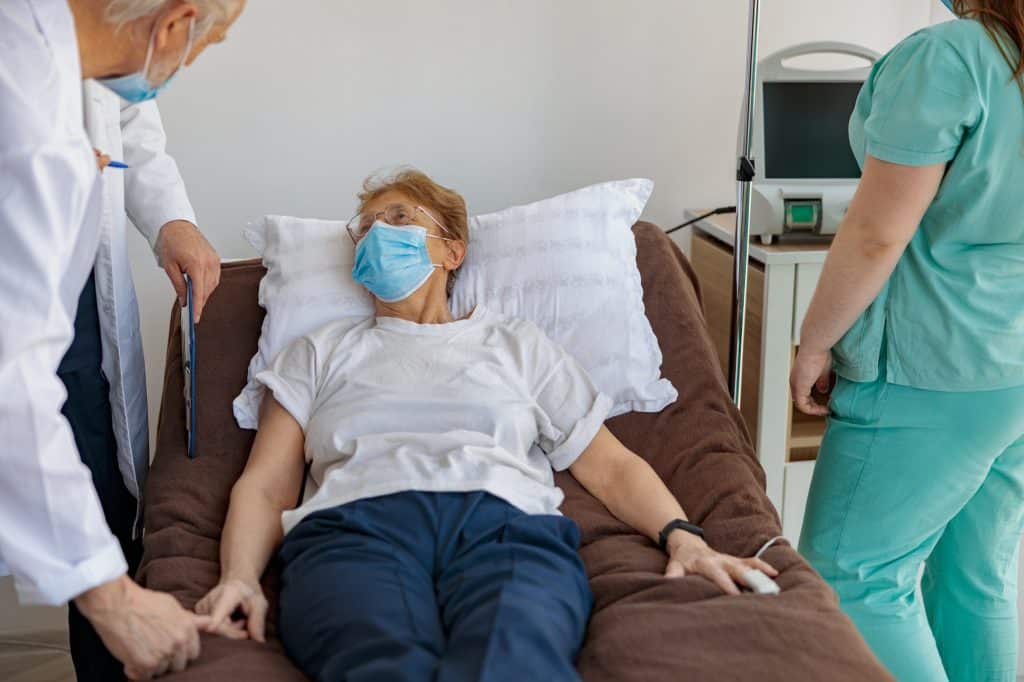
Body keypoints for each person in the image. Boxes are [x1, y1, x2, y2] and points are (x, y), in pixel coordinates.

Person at [194, 169, 779, 681]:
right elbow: (266, 484)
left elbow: (609, 464)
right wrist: (240, 578)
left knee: (516, 658)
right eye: (365, 227)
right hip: (355, 529)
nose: (376, 233)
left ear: (452, 251)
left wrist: (685, 538)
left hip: (504, 527)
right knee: (377, 659)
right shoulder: (317, 352)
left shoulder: (517, 345)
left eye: (397, 217)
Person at [0, 1, 244, 680]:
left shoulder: (54, 48)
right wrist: (113, 599)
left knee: (103, 480)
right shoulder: (32, 128)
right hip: (29, 304)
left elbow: (126, 110)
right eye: (204, 44)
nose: (186, 65)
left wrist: (170, 217)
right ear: (174, 23)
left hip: (59, 286)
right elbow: (7, 382)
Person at [790, 1, 1024, 680]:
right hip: (1011, 364)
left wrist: (815, 343)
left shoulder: (950, 56)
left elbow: (875, 234)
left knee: (854, 578)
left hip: (933, 365)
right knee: (974, 577)